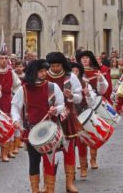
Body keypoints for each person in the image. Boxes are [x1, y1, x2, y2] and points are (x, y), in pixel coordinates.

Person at [11, 59, 65, 193]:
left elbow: (61, 104)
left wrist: (56, 110)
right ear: (33, 72)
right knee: (34, 161)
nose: (44, 73)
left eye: (44, 70)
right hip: (32, 131)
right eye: (40, 71)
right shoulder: (23, 89)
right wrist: (16, 120)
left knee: (50, 160)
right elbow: (15, 106)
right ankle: (35, 190)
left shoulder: (52, 87)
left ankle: (50, 190)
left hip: (50, 129)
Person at [46, 52, 83, 193]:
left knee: (69, 150)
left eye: (58, 65)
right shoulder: (44, 76)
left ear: (63, 65)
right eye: (53, 65)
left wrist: (72, 95)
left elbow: (79, 96)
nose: (55, 68)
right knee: (49, 151)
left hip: (67, 118)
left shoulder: (71, 77)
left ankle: (69, 183)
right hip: (49, 119)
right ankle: (49, 185)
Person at [76, 50, 108, 170]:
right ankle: (82, 161)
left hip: (92, 104)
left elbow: (102, 90)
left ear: (90, 59)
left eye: (86, 58)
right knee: (81, 136)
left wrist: (100, 80)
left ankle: (93, 159)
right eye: (82, 58)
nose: (84, 59)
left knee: (92, 132)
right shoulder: (76, 73)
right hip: (78, 106)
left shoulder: (95, 72)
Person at [0, 52, 21, 162]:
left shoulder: (11, 73)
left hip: (8, 101)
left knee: (7, 127)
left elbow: (18, 87)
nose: (4, 60)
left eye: (6, 58)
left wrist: (16, 99)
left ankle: (5, 152)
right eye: (1, 58)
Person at [71, 62, 97, 178]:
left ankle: (83, 167)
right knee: (71, 144)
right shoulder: (65, 84)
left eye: (76, 71)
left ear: (80, 72)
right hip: (70, 117)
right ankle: (71, 170)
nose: (74, 73)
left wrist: (87, 95)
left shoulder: (85, 84)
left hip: (83, 116)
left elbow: (92, 103)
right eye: (72, 71)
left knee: (82, 142)